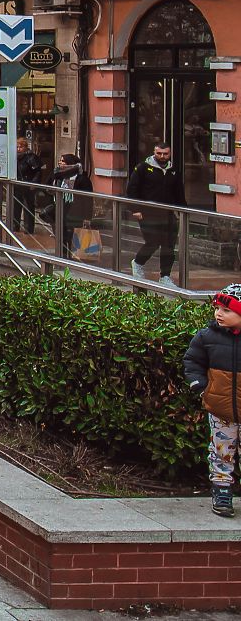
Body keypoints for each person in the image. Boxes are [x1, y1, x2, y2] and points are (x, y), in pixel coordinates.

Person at [183, 284, 241, 519]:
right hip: (220, 409)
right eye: (217, 308)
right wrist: (201, 388)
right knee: (221, 452)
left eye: (226, 310)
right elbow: (193, 361)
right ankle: (222, 492)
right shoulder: (207, 336)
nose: (218, 314)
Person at [129, 144, 186, 285]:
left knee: (169, 246)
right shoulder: (143, 168)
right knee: (152, 242)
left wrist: (183, 211)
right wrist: (135, 208)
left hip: (167, 214)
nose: (162, 156)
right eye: (159, 153)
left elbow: (179, 191)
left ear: (170, 154)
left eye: (165, 154)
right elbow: (132, 189)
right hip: (147, 213)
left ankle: (165, 276)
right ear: (154, 152)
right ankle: (138, 263)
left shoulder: (173, 170)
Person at [13, 136, 45, 234]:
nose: (18, 149)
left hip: (29, 185)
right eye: (17, 147)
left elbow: (38, 171)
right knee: (16, 207)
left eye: (20, 147)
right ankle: (15, 227)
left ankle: (29, 228)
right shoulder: (14, 157)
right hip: (17, 185)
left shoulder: (31, 157)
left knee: (29, 207)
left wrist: (34, 183)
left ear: (25, 147)